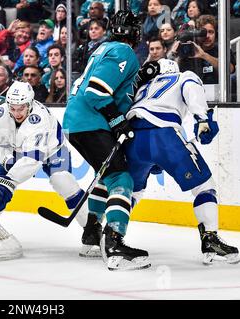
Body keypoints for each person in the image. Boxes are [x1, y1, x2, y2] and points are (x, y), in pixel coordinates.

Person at [125, 58, 240, 265]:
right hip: (164, 135)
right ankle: (210, 240)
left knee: (132, 192)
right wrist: (203, 119)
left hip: (132, 138)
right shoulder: (183, 76)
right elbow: (191, 90)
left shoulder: (144, 86)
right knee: (205, 186)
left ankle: (111, 235)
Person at [63, 10, 151, 271]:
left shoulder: (103, 49)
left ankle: (91, 234)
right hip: (91, 122)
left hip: (77, 121)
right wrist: (117, 121)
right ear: (135, 32)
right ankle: (114, 244)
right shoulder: (124, 52)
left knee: (106, 177)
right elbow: (97, 91)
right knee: (121, 179)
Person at [0, 81, 96, 258]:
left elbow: (33, 160)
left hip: (52, 150)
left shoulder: (40, 118)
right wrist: (7, 163)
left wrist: (10, 181)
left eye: (21, 108)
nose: (16, 113)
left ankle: (93, 232)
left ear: (30, 104)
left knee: (63, 182)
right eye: (12, 108)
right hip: (15, 150)